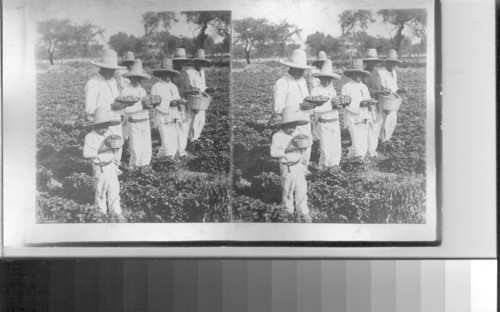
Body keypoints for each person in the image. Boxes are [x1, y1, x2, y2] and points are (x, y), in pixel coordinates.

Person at [83, 106, 125, 222]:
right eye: (102, 127)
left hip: (111, 166)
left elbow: (115, 148)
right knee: (101, 190)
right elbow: (86, 153)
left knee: (114, 189)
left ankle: (116, 211)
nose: (104, 129)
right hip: (100, 167)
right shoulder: (90, 137)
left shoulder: (108, 134)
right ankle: (101, 212)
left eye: (106, 127)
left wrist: (116, 159)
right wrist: (99, 150)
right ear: (95, 126)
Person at [274, 49, 315, 164]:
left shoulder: (302, 82)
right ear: (291, 67)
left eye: (303, 70)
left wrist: (311, 106)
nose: (302, 73)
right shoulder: (281, 83)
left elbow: (306, 101)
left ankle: (304, 176)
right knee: (293, 155)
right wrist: (300, 106)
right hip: (291, 126)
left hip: (305, 123)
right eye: (300, 69)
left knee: (306, 153)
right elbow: (278, 108)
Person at [270, 106, 311, 222]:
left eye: (294, 126)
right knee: (288, 189)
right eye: (289, 127)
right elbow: (273, 153)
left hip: (298, 165)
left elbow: (300, 150)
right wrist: (286, 150)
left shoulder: (295, 135)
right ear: (282, 126)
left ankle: (303, 211)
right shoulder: (277, 136)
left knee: (301, 188)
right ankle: (288, 211)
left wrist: (303, 161)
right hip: (287, 167)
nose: (292, 129)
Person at [85, 49, 126, 165]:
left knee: (118, 152)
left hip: (116, 123)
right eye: (111, 69)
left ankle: (115, 177)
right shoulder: (92, 83)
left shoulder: (113, 82)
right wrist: (111, 106)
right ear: (103, 68)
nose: (113, 72)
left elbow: (118, 101)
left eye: (114, 69)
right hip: (103, 126)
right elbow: (89, 108)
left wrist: (122, 111)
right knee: (106, 155)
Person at [310, 59, 342, 168]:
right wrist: (332, 107)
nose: (328, 81)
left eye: (330, 78)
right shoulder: (316, 91)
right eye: (325, 78)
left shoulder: (332, 91)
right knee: (325, 148)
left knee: (336, 147)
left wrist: (339, 107)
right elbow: (316, 109)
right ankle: (323, 167)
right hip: (323, 122)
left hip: (334, 121)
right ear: (320, 78)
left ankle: (334, 166)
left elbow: (336, 106)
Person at [151, 58, 185, 159]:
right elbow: (154, 104)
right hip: (162, 118)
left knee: (173, 142)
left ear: (171, 75)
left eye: (169, 74)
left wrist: (179, 105)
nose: (167, 76)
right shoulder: (156, 87)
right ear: (161, 74)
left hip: (173, 117)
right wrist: (169, 104)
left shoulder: (173, 86)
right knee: (166, 144)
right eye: (164, 73)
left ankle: (167, 161)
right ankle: (161, 158)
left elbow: (177, 101)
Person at [341, 59, 375, 161]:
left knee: (363, 142)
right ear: (352, 74)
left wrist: (369, 104)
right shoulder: (346, 87)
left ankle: (356, 159)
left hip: (363, 117)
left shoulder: (363, 87)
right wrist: (359, 104)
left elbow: (367, 99)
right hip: (353, 118)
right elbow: (344, 104)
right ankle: (353, 159)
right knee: (356, 143)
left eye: (360, 74)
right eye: (356, 74)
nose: (359, 76)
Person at [121, 59, 152, 168]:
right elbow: (126, 110)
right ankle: (133, 169)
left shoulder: (143, 91)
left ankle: (144, 168)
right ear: (130, 78)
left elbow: (146, 107)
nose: (137, 80)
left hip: (145, 121)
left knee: (147, 149)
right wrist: (142, 106)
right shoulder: (126, 91)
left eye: (139, 78)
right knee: (135, 149)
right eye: (134, 78)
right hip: (134, 123)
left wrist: (150, 106)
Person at [362, 48, 391, 158]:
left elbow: (380, 86)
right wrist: (380, 91)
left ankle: (372, 150)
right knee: (371, 127)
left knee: (377, 126)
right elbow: (366, 91)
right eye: (370, 61)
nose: (372, 63)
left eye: (373, 61)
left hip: (378, 103)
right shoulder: (365, 74)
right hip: (370, 104)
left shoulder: (376, 73)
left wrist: (385, 89)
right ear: (367, 62)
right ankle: (369, 152)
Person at [183, 49, 215, 141]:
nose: (201, 64)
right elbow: (188, 86)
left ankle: (196, 137)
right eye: (199, 62)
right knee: (193, 119)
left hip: (201, 100)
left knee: (201, 120)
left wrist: (209, 89)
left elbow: (203, 87)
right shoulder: (189, 72)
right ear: (195, 61)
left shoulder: (202, 72)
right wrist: (193, 91)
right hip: (193, 99)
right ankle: (191, 139)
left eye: (202, 62)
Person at [378, 49, 405, 142]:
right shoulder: (381, 72)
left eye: (394, 63)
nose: (392, 65)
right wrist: (384, 90)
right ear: (386, 62)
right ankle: (382, 140)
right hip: (385, 100)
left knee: (393, 120)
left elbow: (395, 87)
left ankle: (387, 139)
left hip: (393, 101)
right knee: (385, 120)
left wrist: (400, 90)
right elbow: (380, 87)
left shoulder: (394, 73)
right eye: (390, 62)